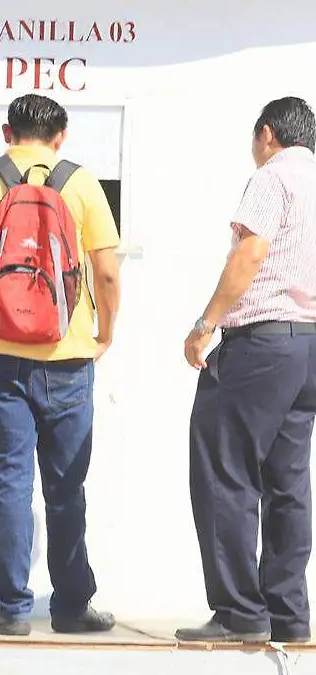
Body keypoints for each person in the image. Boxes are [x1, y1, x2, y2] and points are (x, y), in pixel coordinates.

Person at [0, 93, 122, 636]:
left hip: (0, 352)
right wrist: (105, 332)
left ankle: (11, 610)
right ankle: (71, 607)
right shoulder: (83, 183)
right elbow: (107, 271)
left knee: (11, 483)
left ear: (6, 133)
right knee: (66, 488)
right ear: (61, 137)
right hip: (68, 356)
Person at [176, 97, 316, 644]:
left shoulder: (273, 176)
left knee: (224, 471)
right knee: (289, 480)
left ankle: (239, 613)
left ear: (267, 134)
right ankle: (288, 614)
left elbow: (250, 253)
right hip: (309, 347)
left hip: (262, 343)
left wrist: (205, 323)